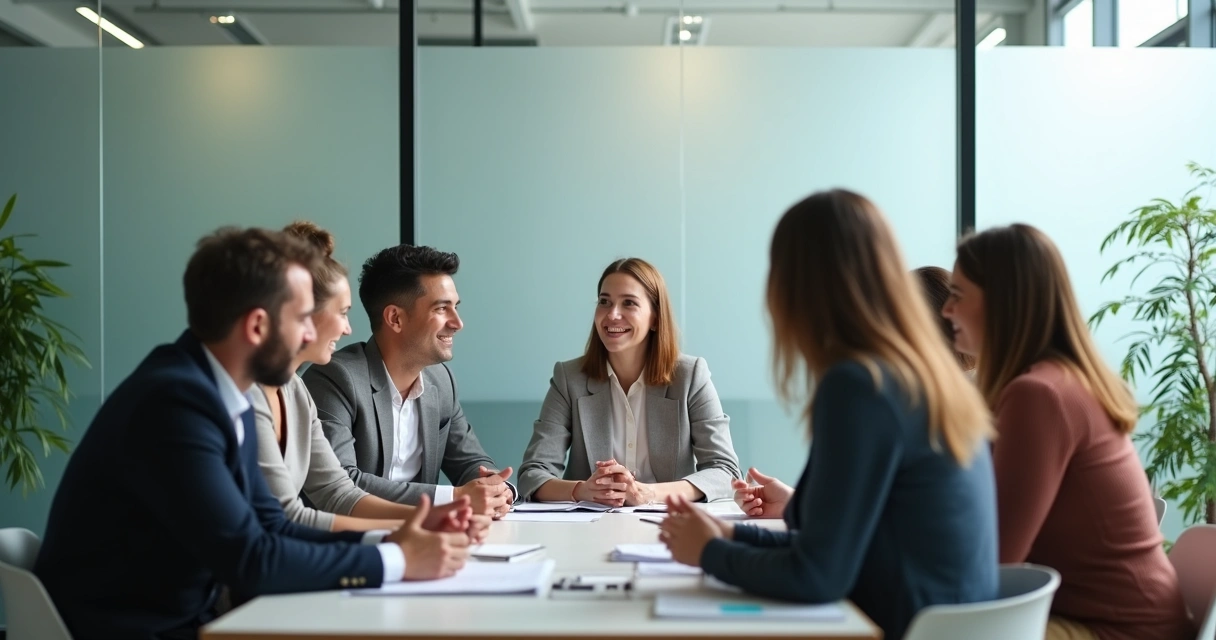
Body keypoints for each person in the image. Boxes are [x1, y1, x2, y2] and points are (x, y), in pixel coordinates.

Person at [34, 228, 471, 640]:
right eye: (302, 318)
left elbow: (272, 527)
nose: (309, 333)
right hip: (135, 628)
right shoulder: (175, 403)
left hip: (186, 620)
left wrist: (394, 539)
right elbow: (252, 560)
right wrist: (395, 559)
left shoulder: (222, 389)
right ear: (258, 326)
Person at [659, 189, 998, 640]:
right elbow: (839, 548)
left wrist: (711, 554)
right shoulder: (927, 375)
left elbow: (818, 576)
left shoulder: (862, 385)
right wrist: (730, 536)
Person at [943, 223, 1194, 640]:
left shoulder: (1039, 395)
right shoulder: (1052, 384)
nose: (945, 311)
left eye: (957, 295)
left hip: (1120, 630)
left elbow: (998, 558)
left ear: (1004, 303)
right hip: (1112, 620)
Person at [252, 222, 488, 540]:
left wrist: (436, 518)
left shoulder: (294, 390)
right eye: (342, 312)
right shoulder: (325, 378)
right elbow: (290, 517)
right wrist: (420, 524)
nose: (348, 329)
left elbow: (338, 492)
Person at [733, 265, 973, 518]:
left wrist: (717, 544)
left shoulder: (925, 411)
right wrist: (794, 506)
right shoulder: (934, 406)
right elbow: (871, 519)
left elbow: (844, 541)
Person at [303, 244, 515, 518]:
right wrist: (454, 496)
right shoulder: (335, 377)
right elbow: (343, 482)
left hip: (423, 536)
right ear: (395, 318)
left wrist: (497, 487)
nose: (457, 323)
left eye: (456, 307)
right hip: (347, 540)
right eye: (441, 309)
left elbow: (470, 461)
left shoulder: (441, 381)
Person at [517, 258, 741, 505]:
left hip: (669, 526)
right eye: (604, 302)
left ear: (655, 318)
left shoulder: (690, 375)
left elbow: (726, 471)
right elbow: (532, 474)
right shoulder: (569, 378)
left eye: (629, 303)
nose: (612, 315)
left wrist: (649, 494)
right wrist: (582, 490)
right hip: (590, 528)